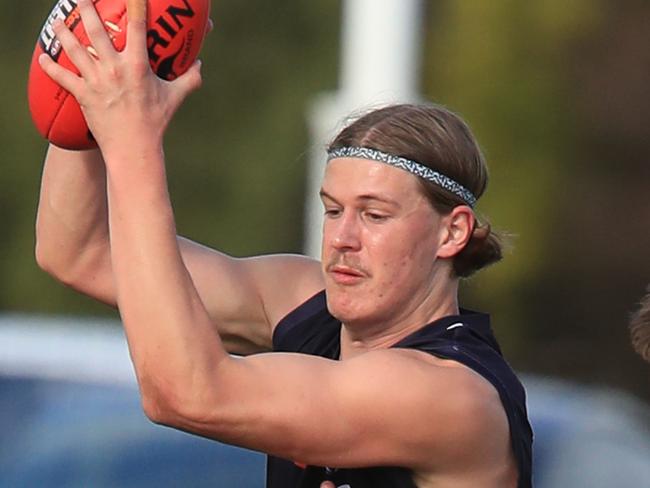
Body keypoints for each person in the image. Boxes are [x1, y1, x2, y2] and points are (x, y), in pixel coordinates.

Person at [34, 0, 533, 486]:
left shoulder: (448, 395)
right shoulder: (306, 304)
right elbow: (79, 251)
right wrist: (90, 84)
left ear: (453, 232)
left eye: (375, 215)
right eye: (333, 209)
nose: (342, 238)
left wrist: (130, 139)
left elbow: (185, 394)